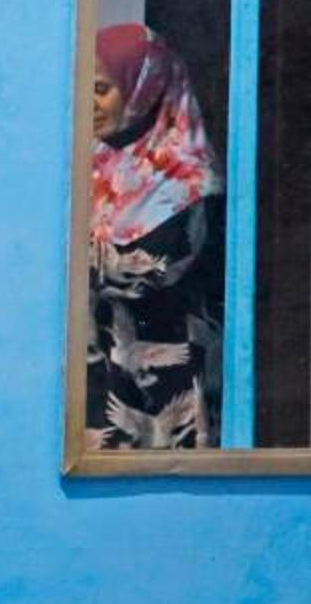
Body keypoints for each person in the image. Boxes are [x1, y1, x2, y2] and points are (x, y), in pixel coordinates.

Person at [85, 23, 223, 450]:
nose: (89, 103)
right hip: (104, 380)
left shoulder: (190, 179)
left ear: (145, 87)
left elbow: (150, 271)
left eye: (102, 89)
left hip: (170, 387)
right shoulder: (94, 166)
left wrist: (67, 258)